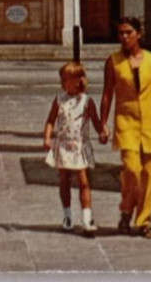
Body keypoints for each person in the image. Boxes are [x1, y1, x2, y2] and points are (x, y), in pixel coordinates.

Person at [100, 15, 151, 238]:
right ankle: (125, 210)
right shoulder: (113, 62)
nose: (124, 37)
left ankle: (144, 222)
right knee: (132, 171)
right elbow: (107, 93)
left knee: (149, 175)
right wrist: (103, 123)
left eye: (128, 32)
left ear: (138, 34)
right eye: (121, 33)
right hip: (126, 122)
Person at [43, 61, 108, 234]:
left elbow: (95, 121)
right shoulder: (59, 100)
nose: (64, 83)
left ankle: (86, 217)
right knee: (64, 180)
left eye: (67, 79)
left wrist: (102, 131)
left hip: (80, 145)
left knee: (84, 181)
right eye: (62, 80)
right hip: (63, 145)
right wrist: (47, 137)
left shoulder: (87, 101)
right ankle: (68, 216)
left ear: (79, 81)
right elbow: (51, 120)